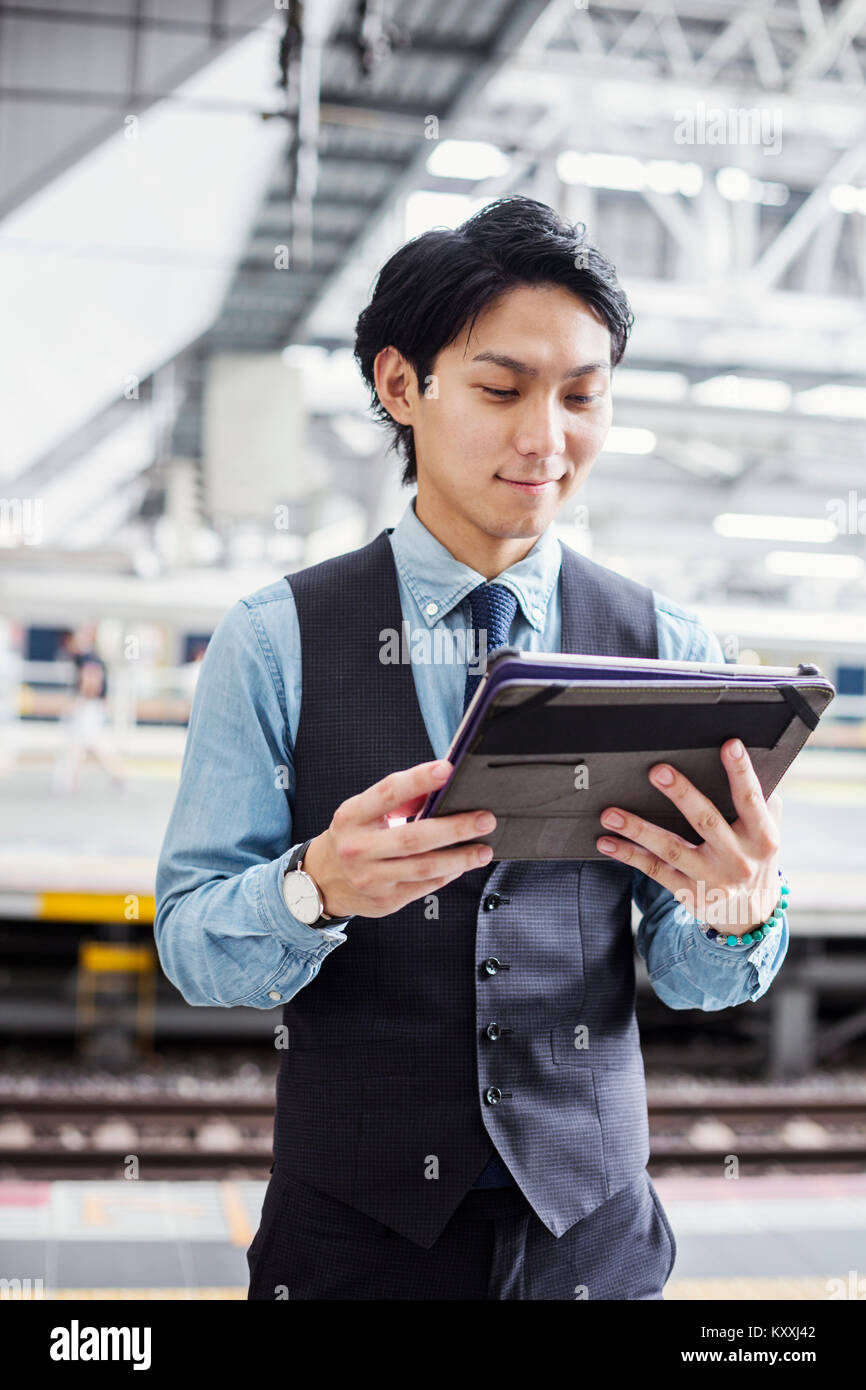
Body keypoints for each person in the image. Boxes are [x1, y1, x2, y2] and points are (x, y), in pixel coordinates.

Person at [154, 195, 788, 1300]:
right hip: (351, 1248)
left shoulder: (667, 647)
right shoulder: (274, 640)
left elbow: (692, 979)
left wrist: (739, 911)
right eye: (501, 390)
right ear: (402, 386)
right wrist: (314, 888)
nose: (546, 438)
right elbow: (190, 942)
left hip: (591, 1243)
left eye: (581, 396)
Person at [52, 628, 125, 792]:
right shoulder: (90, 656)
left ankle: (72, 781)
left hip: (89, 706)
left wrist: (80, 700)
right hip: (93, 705)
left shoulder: (86, 657)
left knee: (87, 743)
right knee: (89, 743)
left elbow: (92, 680)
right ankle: (75, 780)